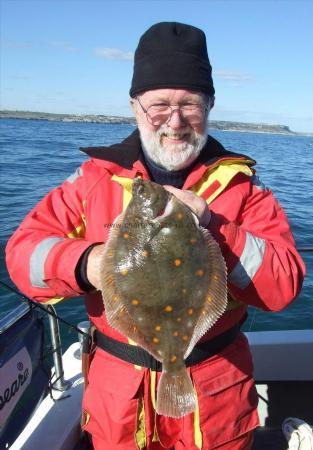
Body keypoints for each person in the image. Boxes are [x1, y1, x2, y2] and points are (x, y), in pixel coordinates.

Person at [6, 22, 305, 450]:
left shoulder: (244, 190)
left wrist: (215, 227)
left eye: (191, 105)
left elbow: (284, 286)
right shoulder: (94, 181)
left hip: (215, 399)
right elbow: (22, 256)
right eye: (159, 105)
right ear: (134, 106)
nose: (176, 121)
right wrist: (90, 263)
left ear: (210, 105)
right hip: (117, 405)